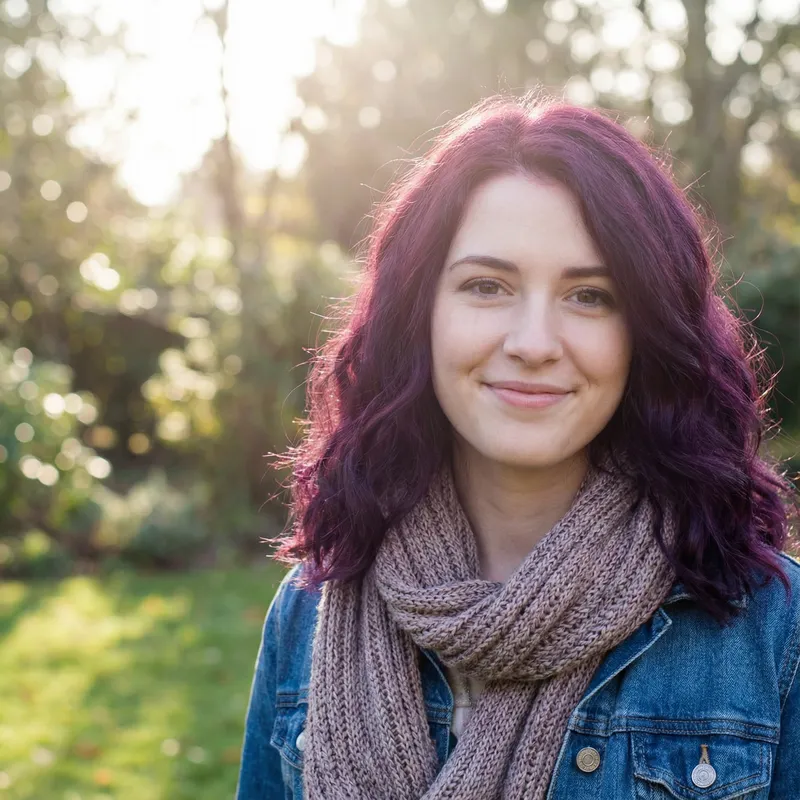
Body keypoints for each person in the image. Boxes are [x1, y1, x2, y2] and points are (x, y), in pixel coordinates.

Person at [235, 93, 800, 799]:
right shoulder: (307, 614)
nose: (533, 343)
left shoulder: (773, 632)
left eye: (590, 296)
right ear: (421, 315)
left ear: (647, 329)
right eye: (487, 285)